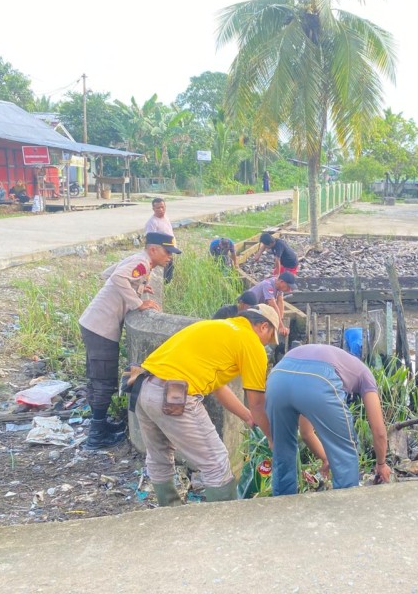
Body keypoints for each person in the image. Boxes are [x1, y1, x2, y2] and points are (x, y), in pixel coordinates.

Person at [134, 305, 279, 505]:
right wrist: (272, 437)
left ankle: (169, 510)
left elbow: (219, 389)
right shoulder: (251, 342)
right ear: (263, 326)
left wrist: (247, 416)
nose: (266, 344)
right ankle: (222, 524)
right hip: (174, 395)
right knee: (216, 464)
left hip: (143, 387)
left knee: (159, 454)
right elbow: (257, 401)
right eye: (269, 337)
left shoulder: (216, 327)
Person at [78, 232, 180, 450]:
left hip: (94, 324)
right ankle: (96, 436)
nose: (170, 257)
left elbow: (109, 273)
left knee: (97, 378)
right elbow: (116, 278)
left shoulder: (139, 260)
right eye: (167, 251)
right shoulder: (142, 262)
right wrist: (137, 302)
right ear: (153, 250)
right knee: (104, 381)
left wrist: (139, 287)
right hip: (100, 328)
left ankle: (100, 425)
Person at [265, 344, 391, 496]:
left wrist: (326, 459)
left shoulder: (330, 357)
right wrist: (381, 464)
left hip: (277, 378)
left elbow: (306, 433)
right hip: (319, 379)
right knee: (345, 454)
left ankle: (281, 510)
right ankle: (346, 510)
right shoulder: (365, 374)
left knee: (282, 452)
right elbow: (379, 431)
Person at [144, 198, 176, 283]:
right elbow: (150, 241)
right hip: (160, 254)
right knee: (160, 276)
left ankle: (167, 291)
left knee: (169, 274)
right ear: (153, 209)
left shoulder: (166, 218)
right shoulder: (152, 223)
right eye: (158, 208)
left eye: (163, 207)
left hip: (169, 250)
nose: (161, 210)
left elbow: (170, 233)